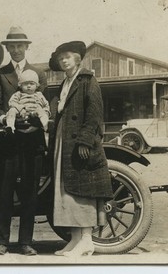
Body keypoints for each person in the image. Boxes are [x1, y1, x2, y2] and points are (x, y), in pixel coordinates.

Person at [48, 41, 113, 257]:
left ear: (77, 58)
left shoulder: (87, 80)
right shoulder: (65, 83)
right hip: (63, 140)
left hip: (78, 143)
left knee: (82, 190)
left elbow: (95, 112)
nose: (63, 60)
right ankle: (75, 239)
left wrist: (85, 141)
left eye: (67, 56)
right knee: (67, 191)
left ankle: (86, 240)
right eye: (60, 58)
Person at [0, 26, 47, 256]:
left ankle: (25, 242)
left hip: (32, 141)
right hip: (8, 140)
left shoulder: (38, 73)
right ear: (7, 48)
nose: (15, 50)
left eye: (20, 46)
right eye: (11, 46)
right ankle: (2, 241)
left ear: (27, 47)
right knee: (5, 191)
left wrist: (36, 120)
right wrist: (4, 117)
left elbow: (45, 104)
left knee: (29, 191)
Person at [5, 69, 50, 133]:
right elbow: (12, 102)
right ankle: (10, 126)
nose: (29, 86)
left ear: (36, 85)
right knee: (12, 110)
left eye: (31, 83)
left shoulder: (39, 95)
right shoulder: (18, 94)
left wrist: (45, 111)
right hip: (21, 113)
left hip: (35, 112)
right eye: (25, 84)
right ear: (21, 85)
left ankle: (46, 126)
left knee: (42, 112)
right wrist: (20, 109)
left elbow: (46, 105)